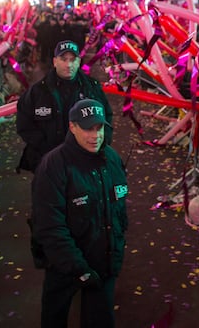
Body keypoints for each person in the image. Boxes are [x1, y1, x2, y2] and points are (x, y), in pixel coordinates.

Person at [30, 99, 127, 328]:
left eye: (99, 128)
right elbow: (50, 226)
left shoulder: (112, 159)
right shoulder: (53, 166)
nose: (95, 136)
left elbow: (119, 208)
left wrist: (117, 248)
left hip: (104, 262)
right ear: (72, 127)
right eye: (87, 129)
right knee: (55, 316)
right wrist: (78, 268)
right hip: (63, 266)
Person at [16, 40, 112, 173]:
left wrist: (100, 145)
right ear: (55, 61)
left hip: (84, 162)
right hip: (48, 164)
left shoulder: (92, 88)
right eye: (64, 59)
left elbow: (106, 117)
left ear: (79, 61)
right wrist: (46, 149)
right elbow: (24, 124)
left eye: (73, 60)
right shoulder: (37, 91)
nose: (68, 64)